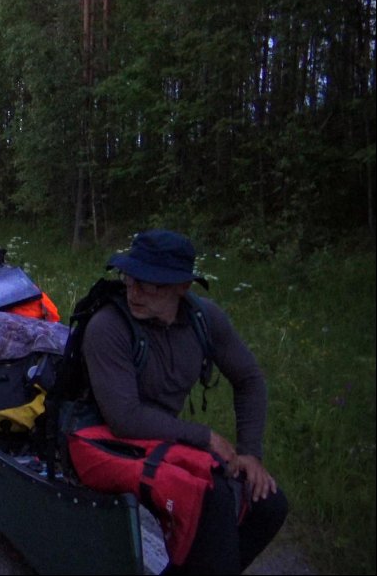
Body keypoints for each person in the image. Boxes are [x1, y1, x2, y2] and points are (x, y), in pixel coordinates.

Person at [83, 229, 288, 574]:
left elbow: (249, 379)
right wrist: (205, 437)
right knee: (212, 496)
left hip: (161, 438)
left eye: (151, 285)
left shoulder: (203, 318)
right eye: (131, 279)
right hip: (103, 439)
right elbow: (123, 417)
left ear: (182, 286)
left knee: (267, 502)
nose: (134, 292)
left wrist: (251, 452)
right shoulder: (108, 326)